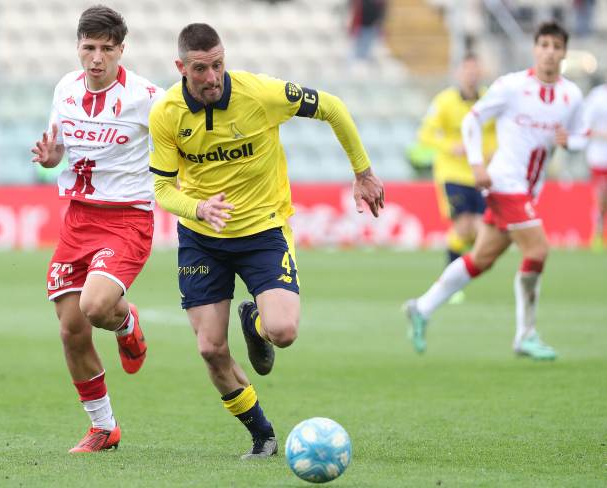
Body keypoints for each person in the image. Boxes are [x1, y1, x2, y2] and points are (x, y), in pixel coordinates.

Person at [148, 23, 384, 459]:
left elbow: (331, 106)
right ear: (181, 67)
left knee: (284, 331)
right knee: (210, 349)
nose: (213, 76)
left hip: (263, 232)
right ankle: (263, 435)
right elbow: (163, 189)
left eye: (218, 64)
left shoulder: (260, 94)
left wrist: (363, 171)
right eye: (201, 68)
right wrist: (197, 209)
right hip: (203, 238)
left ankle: (254, 319)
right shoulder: (165, 114)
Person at [404, 21, 587, 360]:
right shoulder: (512, 86)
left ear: (563, 53)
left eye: (556, 46)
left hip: (529, 190)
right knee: (538, 250)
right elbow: (472, 120)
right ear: (536, 49)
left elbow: (577, 139)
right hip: (504, 182)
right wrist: (476, 164)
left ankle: (421, 307)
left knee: (481, 259)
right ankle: (526, 334)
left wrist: (570, 143)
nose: (549, 51)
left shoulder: (571, 95)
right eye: (543, 44)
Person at [31, 5, 162, 453]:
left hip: (126, 219)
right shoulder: (65, 88)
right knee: (71, 328)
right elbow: (57, 152)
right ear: (78, 47)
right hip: (78, 219)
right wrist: (50, 158)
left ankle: (126, 322)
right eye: (89, 47)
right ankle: (104, 427)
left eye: (107, 49)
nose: (97, 58)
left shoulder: (148, 97)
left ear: (122, 50)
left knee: (94, 305)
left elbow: (183, 143)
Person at [417, 53, 497, 303]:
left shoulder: (490, 101)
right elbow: (426, 134)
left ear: (480, 73)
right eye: (467, 70)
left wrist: (492, 151)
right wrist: (450, 145)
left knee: (479, 233)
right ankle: (451, 285)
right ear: (459, 73)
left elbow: (498, 132)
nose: (471, 75)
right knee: (463, 226)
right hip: (451, 173)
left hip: (480, 174)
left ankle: (452, 278)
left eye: (475, 70)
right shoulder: (444, 102)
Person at [580, 82, 607, 251]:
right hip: (600, 157)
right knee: (602, 198)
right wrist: (602, 134)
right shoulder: (597, 96)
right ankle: (597, 235)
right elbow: (584, 127)